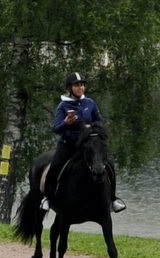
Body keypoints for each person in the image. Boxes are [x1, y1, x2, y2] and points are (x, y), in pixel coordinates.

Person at [51, 72, 126, 213]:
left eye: (82, 85)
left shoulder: (90, 103)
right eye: (77, 86)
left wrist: (91, 127)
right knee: (55, 166)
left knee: (109, 165)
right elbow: (56, 128)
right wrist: (66, 123)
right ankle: (48, 198)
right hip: (69, 144)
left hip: (87, 145)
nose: (80, 88)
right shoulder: (63, 106)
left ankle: (113, 199)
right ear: (70, 88)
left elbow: (99, 120)